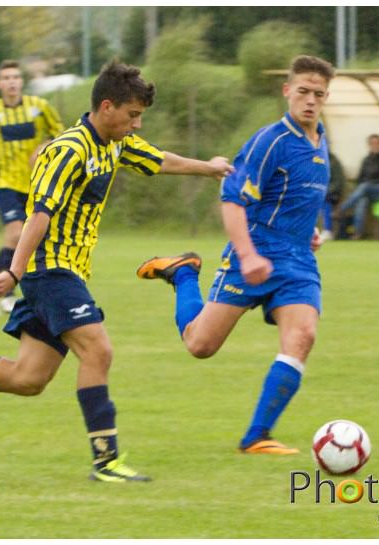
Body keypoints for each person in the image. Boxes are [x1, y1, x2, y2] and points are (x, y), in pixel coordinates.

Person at [0, 60, 234, 483]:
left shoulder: (115, 143)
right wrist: (15, 273)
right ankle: (106, 460)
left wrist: (209, 166)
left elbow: (158, 160)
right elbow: (37, 217)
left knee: (28, 378)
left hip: (69, 273)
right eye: (133, 115)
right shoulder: (68, 151)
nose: (136, 125)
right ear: (108, 106)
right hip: (49, 272)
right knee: (99, 351)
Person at [136, 55, 333, 455]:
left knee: (303, 335)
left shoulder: (320, 140)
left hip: (296, 262)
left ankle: (257, 436)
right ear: (287, 91)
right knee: (200, 345)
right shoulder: (270, 141)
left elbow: (293, 198)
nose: (310, 101)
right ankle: (183, 273)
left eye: (318, 94)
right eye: (303, 92)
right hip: (254, 254)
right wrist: (247, 256)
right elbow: (232, 201)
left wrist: (305, 231)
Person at [0, 59, 64, 317]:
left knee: (27, 238)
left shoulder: (40, 107)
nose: (11, 81)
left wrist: (44, 145)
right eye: (6, 78)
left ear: (21, 81)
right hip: (3, 181)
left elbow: (61, 134)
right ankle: (8, 291)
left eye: (15, 77)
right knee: (15, 234)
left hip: (34, 182)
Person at [336, 134, 379, 239]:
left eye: (377, 143)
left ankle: (341, 209)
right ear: (369, 145)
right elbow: (360, 178)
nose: (375, 145)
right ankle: (358, 233)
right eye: (372, 143)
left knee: (365, 186)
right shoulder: (366, 160)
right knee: (362, 200)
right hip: (367, 192)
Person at [318, 151, 345, 241]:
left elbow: (338, 182)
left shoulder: (333, 161)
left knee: (325, 200)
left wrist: (325, 190)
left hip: (331, 193)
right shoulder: (311, 157)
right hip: (317, 192)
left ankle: (327, 230)